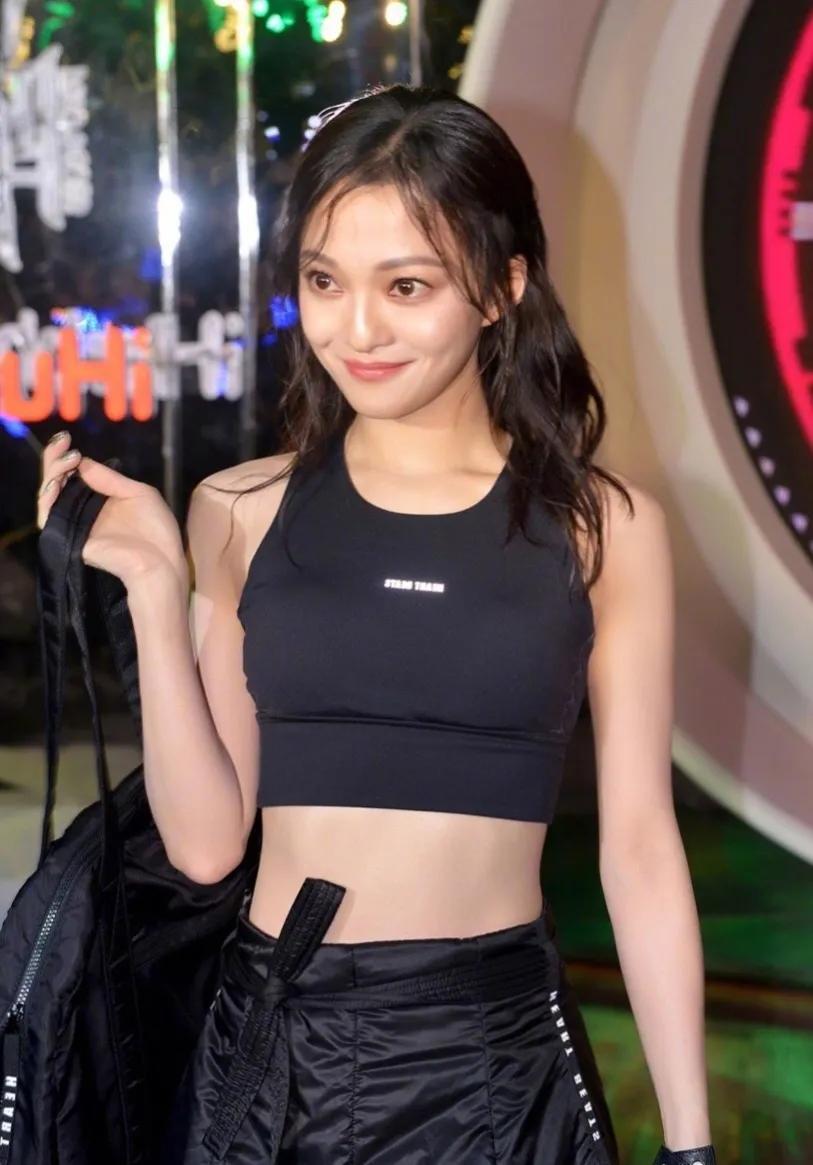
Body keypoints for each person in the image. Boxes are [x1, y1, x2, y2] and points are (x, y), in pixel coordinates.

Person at [36, 85, 717, 1165]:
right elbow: (208, 845)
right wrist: (158, 596)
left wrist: (689, 1144)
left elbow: (638, 847)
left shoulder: (601, 527)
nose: (356, 330)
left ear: (501, 287)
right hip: (269, 1060)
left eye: (406, 286)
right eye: (324, 281)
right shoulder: (238, 510)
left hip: (493, 1066)